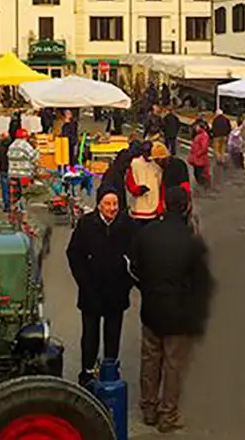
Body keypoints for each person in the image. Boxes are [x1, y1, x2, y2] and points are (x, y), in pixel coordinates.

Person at [128, 186, 214, 432]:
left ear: (164, 205)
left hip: (152, 306)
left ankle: (148, 408)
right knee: (174, 365)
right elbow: (203, 283)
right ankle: (168, 414)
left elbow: (133, 268)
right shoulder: (193, 243)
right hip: (181, 313)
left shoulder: (148, 234)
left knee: (150, 359)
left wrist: (146, 287)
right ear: (187, 207)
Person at [66, 188, 134, 388]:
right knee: (90, 333)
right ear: (99, 205)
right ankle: (87, 372)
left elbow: (136, 256)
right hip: (91, 292)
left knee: (113, 333)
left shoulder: (127, 225)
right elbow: (74, 254)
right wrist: (83, 282)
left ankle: (110, 369)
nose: (112, 208)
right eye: (108, 204)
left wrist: (127, 282)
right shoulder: (86, 224)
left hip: (117, 292)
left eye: (115, 204)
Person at [126, 143, 165, 227]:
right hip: (138, 208)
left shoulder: (157, 165)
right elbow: (129, 183)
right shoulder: (134, 164)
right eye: (145, 152)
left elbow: (161, 186)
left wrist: (160, 205)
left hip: (154, 206)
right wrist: (138, 190)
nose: (147, 155)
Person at [6, 129, 39, 216]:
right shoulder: (25, 145)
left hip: (12, 174)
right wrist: (37, 149)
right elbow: (34, 158)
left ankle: (14, 211)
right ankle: (24, 211)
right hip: (24, 174)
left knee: (15, 195)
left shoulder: (11, 146)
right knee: (25, 193)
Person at [187, 122, 211, 191]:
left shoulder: (204, 136)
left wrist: (197, 154)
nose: (196, 128)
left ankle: (204, 186)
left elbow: (204, 148)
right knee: (197, 172)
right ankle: (202, 185)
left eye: (197, 127)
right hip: (197, 159)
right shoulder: (199, 135)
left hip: (200, 159)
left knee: (200, 173)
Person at [0, 131, 14, 212]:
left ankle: (7, 205)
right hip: (12, 169)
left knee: (5, 188)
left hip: (2, 169)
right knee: (14, 188)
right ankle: (15, 204)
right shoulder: (12, 147)